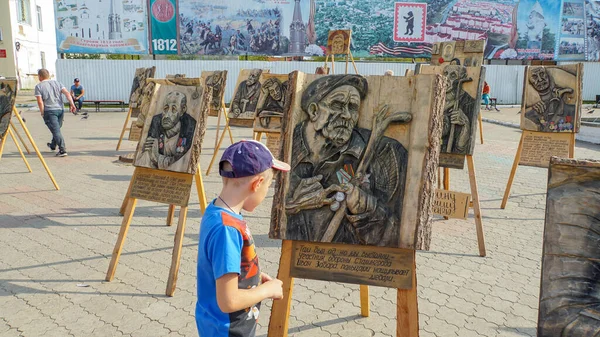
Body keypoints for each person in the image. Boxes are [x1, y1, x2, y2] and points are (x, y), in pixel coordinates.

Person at [285, 75, 410, 246]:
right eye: (337, 105)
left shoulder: (386, 152)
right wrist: (291, 202)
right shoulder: (289, 148)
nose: (346, 115)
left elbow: (399, 234)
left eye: (352, 108)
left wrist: (365, 207)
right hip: (301, 253)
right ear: (314, 111)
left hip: (358, 261)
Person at [196, 140, 289, 337]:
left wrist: (253, 278)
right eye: (269, 187)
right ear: (257, 184)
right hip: (227, 330)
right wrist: (268, 290)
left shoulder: (216, 211)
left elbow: (225, 266)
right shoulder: (227, 230)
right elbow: (228, 301)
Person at [136, 91, 196, 170]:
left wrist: (157, 158)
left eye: (174, 109)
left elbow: (180, 162)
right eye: (165, 109)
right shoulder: (156, 122)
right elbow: (148, 155)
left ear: (183, 110)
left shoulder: (189, 126)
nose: (167, 115)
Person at [34, 69, 76, 157]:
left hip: (49, 111)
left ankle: (62, 150)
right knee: (56, 129)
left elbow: (40, 102)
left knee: (56, 130)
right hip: (60, 110)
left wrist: (42, 112)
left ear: (40, 76)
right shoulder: (58, 83)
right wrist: (72, 104)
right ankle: (53, 145)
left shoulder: (39, 86)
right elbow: (67, 94)